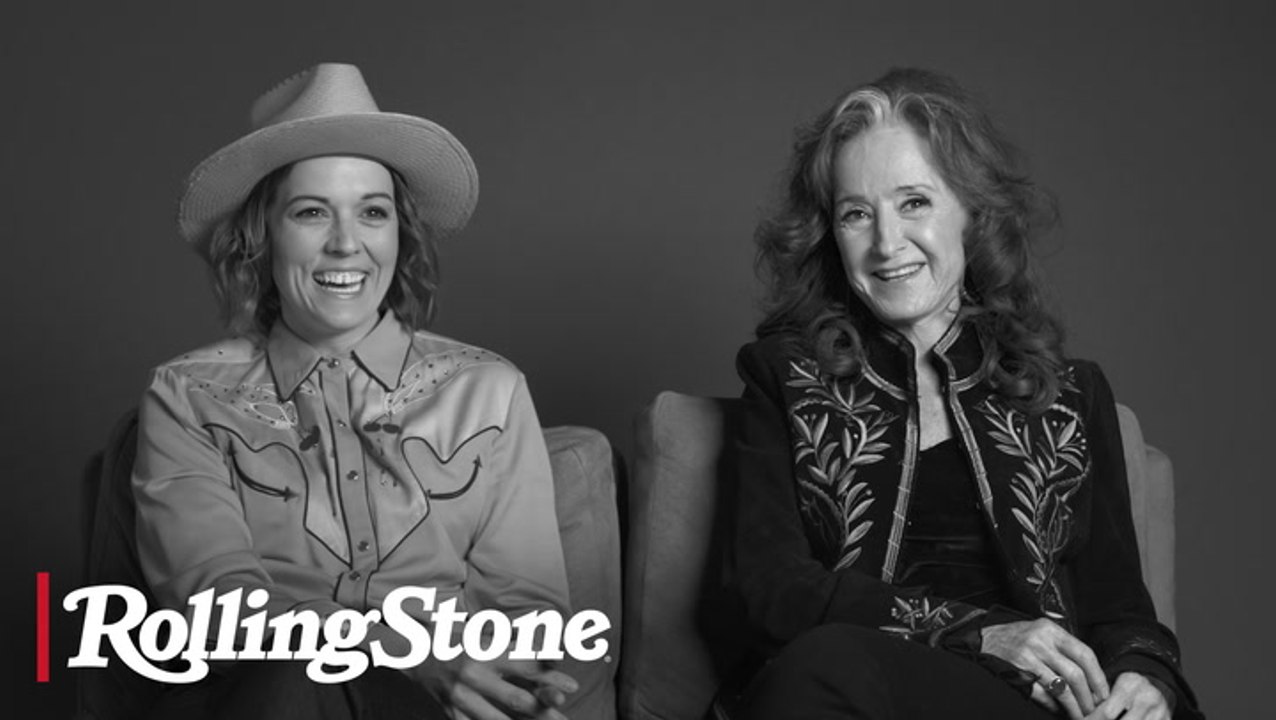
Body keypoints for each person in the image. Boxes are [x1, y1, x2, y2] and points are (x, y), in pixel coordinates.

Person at [727, 68, 1204, 719]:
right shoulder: (785, 378)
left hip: (1029, 706)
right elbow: (772, 590)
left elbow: (1120, 609)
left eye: (914, 203)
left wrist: (1147, 678)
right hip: (843, 686)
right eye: (856, 214)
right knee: (823, 665)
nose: (886, 244)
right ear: (830, 235)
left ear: (973, 213)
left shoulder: (1070, 396)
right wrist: (978, 635)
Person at [132, 63, 576, 720]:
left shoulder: (490, 390)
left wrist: (475, 673)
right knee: (288, 679)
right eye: (312, 212)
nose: (346, 244)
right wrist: (400, 652)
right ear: (262, 236)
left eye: (372, 212)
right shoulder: (187, 395)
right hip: (267, 693)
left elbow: (527, 610)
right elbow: (219, 608)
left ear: (400, 232)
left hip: (440, 708)